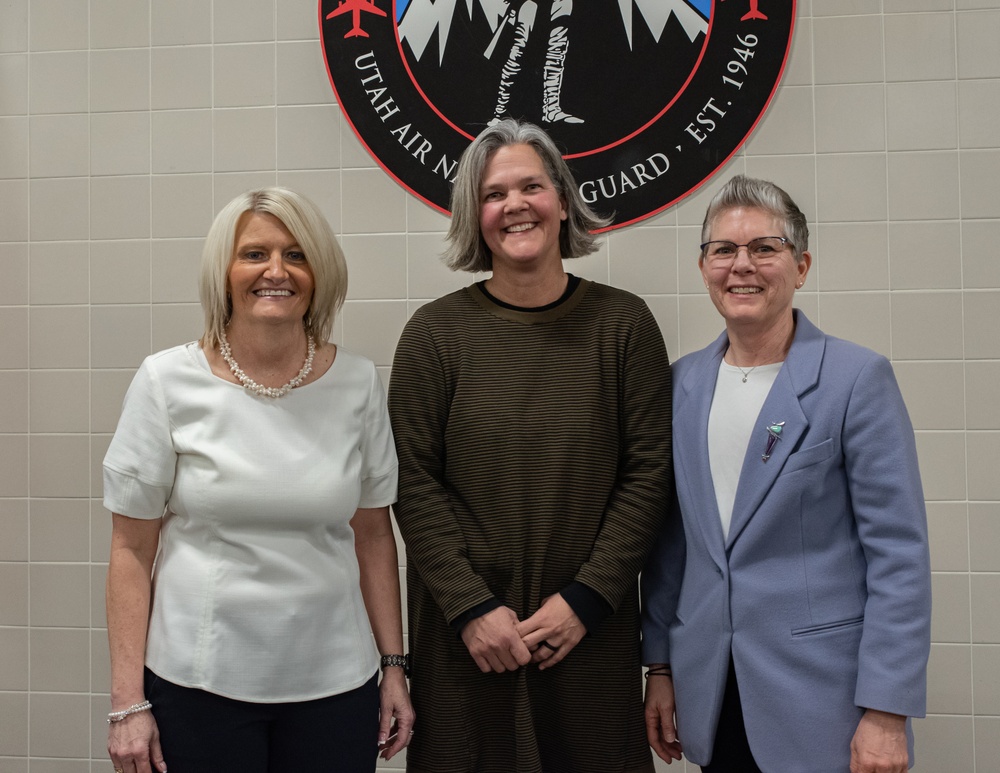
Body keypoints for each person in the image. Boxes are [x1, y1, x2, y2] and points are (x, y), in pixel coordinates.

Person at [388, 118, 672, 773]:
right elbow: (412, 481)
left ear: (563, 201)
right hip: (467, 645)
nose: (514, 205)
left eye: (531, 187)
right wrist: (470, 607)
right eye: (493, 194)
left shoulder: (623, 327)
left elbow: (649, 475)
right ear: (474, 216)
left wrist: (588, 597)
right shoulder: (434, 336)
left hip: (587, 639)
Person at [103, 188, 414, 773]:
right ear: (223, 273)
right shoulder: (167, 382)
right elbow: (130, 547)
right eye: (254, 254)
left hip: (337, 688)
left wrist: (393, 666)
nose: (276, 271)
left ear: (319, 274)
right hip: (197, 687)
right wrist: (127, 703)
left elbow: (374, 534)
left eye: (297, 255)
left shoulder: (357, 383)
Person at [641, 175, 931, 773]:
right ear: (703, 268)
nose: (741, 266)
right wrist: (661, 667)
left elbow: (898, 557)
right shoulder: (679, 386)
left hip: (824, 704)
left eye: (763, 248)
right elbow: (671, 546)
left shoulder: (856, 381)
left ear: (800, 266)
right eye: (723, 250)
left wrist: (886, 711)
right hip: (711, 693)